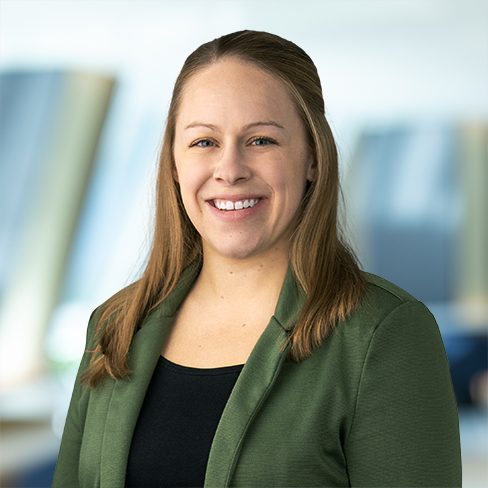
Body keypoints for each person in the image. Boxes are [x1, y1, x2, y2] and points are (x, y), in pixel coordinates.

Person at [52, 30, 462, 488]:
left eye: (261, 140)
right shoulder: (115, 326)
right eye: (204, 142)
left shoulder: (384, 334)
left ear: (312, 158)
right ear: (173, 163)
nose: (229, 169)